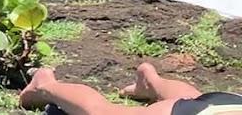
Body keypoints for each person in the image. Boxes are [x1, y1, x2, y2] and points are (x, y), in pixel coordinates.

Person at [20, 62, 242, 114]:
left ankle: (151, 81)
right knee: (103, 111)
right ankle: (45, 84)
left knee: (193, 98)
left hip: (229, 103)